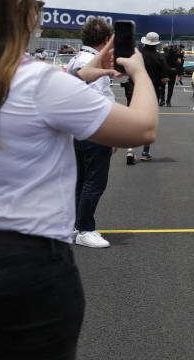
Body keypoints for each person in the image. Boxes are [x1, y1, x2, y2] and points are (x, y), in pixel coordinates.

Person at [0, 0, 158, 359]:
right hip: (27, 270)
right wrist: (139, 73)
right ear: (20, 11)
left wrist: (82, 75)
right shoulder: (37, 83)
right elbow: (143, 128)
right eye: (36, 6)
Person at [67, 18, 118, 249]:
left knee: (81, 180)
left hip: (76, 128)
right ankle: (85, 229)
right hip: (93, 129)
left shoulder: (77, 58)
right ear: (107, 40)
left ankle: (77, 225)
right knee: (95, 181)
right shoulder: (92, 62)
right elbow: (98, 102)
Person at [125, 32, 168, 164]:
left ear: (145, 42)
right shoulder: (160, 58)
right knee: (149, 123)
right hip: (151, 92)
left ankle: (130, 149)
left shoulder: (136, 55)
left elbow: (127, 70)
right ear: (156, 44)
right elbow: (165, 79)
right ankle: (145, 152)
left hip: (134, 89)